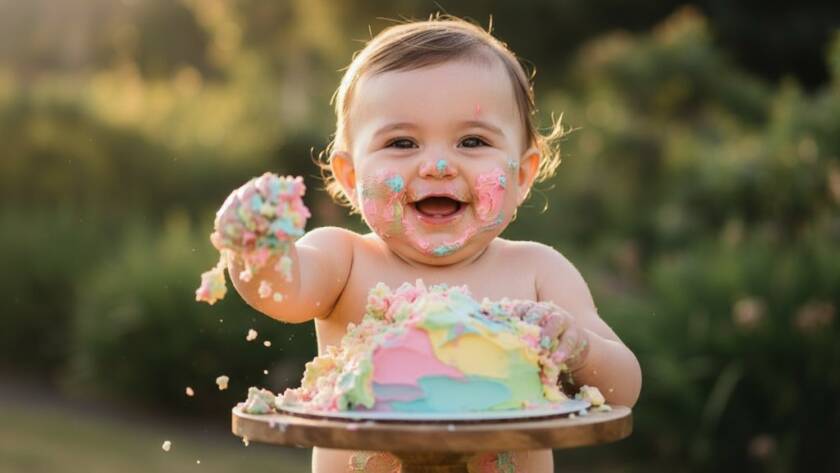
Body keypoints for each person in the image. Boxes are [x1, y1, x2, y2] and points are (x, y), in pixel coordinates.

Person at [216, 15, 641, 473]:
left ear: (521, 174)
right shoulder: (345, 260)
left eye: (472, 140)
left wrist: (579, 348)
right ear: (350, 176)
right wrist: (255, 248)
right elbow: (279, 290)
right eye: (402, 142)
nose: (438, 164)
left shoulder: (539, 272)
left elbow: (623, 389)